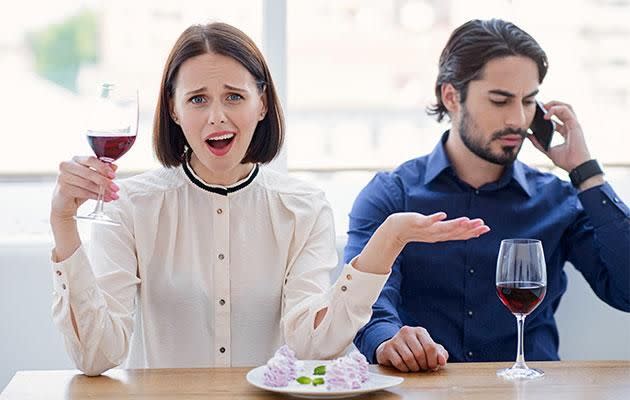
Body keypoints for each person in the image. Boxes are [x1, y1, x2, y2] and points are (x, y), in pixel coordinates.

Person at [49, 22, 489, 376]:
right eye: (198, 99)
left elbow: (311, 345)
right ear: (173, 109)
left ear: (262, 104)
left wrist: (388, 240)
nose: (217, 116)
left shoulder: (302, 206)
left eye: (234, 97)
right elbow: (97, 356)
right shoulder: (133, 206)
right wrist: (64, 224)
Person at [348, 18, 630, 372]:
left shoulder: (558, 200)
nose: (518, 119)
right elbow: (363, 302)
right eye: (500, 100)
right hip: (425, 390)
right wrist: (388, 337)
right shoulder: (392, 196)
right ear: (451, 96)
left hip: (531, 393)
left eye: (529, 102)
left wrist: (586, 172)